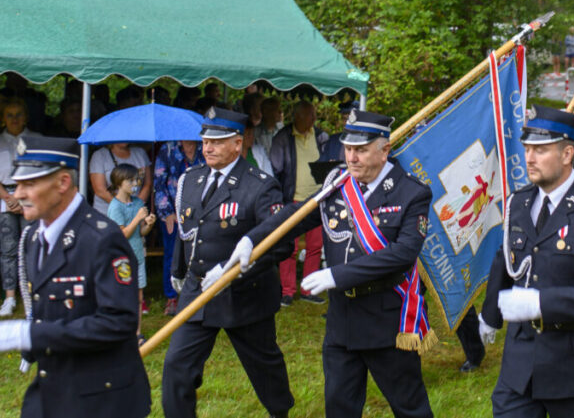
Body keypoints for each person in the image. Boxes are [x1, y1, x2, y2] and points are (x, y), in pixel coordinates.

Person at [249, 109, 435, 417]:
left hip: (385, 320)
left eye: (361, 150)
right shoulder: (337, 183)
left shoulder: (412, 192)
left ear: (385, 149)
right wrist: (251, 240)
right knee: (338, 406)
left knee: (409, 407)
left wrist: (337, 275)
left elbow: (403, 253)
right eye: (348, 149)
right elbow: (298, 215)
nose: (351, 157)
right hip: (341, 321)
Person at [478, 105, 574, 417]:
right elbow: (506, 259)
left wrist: (542, 304)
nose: (529, 158)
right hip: (521, 360)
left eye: (541, 150)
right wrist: (491, 312)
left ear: (566, 154)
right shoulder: (520, 202)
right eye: (527, 149)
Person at [0, 135, 151, 417]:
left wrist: (34, 335)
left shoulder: (102, 238)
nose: (18, 193)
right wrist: (33, 343)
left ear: (62, 183)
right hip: (54, 387)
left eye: (29, 184)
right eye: (17, 184)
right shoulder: (34, 236)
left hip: (101, 397)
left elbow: (119, 322)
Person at [161, 108, 294, 418]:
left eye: (217, 142)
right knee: (177, 366)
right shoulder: (191, 180)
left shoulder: (260, 185)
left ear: (237, 143)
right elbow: (187, 231)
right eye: (205, 141)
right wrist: (179, 271)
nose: (208, 148)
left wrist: (234, 271)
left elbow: (280, 242)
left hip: (245, 294)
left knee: (265, 368)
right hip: (199, 291)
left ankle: (280, 413)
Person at [270, 100, 330, 305]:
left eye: (314, 115)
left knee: (315, 246)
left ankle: (308, 289)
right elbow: (275, 169)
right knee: (289, 247)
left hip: (317, 199)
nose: (314, 119)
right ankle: (287, 291)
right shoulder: (283, 138)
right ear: (297, 116)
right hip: (292, 199)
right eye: (309, 115)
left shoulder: (321, 136)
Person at [0, 97, 35, 317]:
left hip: (31, 194)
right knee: (8, 248)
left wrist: (23, 195)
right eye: (9, 115)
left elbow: (42, 172)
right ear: (2, 119)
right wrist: (8, 198)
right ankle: (10, 297)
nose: (14, 119)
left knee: (32, 245)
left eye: (18, 114)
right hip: (4, 196)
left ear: (26, 117)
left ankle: (32, 293)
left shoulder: (36, 139)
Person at [153, 139, 205, 315]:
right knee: (172, 254)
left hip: (200, 212)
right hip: (173, 213)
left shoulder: (205, 148)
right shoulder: (168, 150)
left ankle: (198, 294)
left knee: (200, 252)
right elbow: (159, 184)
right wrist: (167, 213)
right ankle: (172, 297)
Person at [107, 163, 157, 343]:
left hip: (138, 255)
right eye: (130, 181)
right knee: (122, 296)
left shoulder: (137, 202)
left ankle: (136, 333)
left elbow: (140, 232)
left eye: (136, 180)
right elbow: (123, 234)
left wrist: (148, 224)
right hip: (122, 258)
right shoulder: (115, 207)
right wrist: (137, 218)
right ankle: (120, 331)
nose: (135, 184)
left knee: (138, 296)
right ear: (119, 183)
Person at [88, 142, 153, 216]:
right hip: (107, 212)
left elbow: (148, 184)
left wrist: (136, 206)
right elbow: (100, 190)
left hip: (136, 213)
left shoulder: (140, 153)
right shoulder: (99, 155)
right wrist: (123, 208)